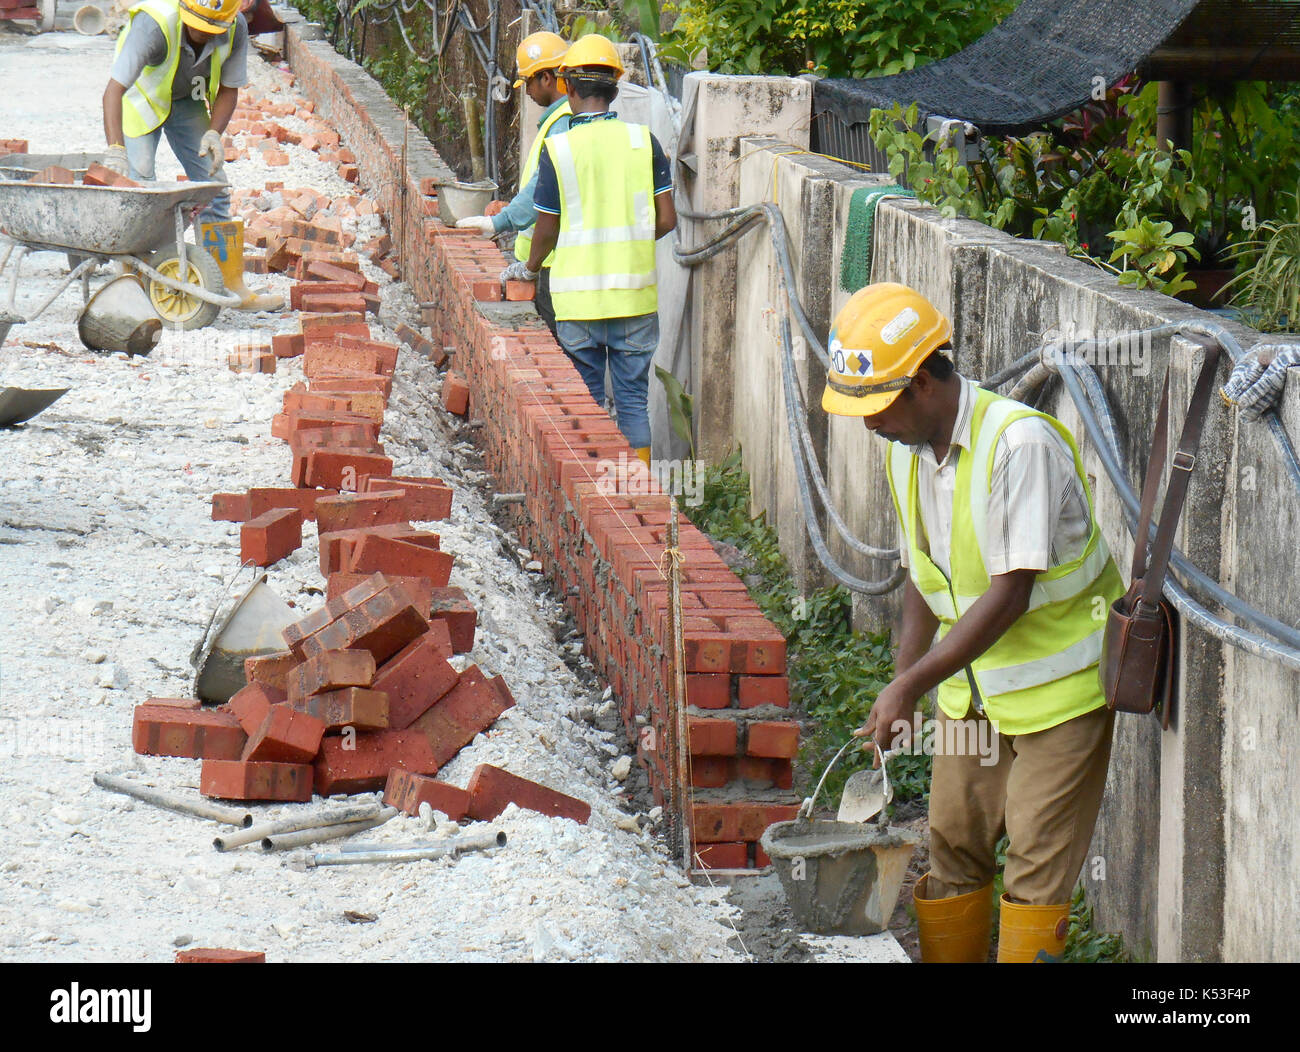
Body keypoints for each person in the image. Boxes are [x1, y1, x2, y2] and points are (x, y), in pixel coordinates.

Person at [821, 283, 1125, 963]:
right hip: (973, 695)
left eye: (876, 407)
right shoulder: (908, 453)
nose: (868, 425)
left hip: (1061, 698)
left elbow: (1010, 594)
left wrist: (910, 686)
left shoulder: (1019, 445)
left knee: (1034, 876)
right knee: (953, 851)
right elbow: (926, 580)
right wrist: (906, 681)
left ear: (922, 383)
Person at [502, 34, 676, 467]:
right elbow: (667, 220)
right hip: (635, 299)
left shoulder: (559, 149)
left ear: (568, 87)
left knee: (588, 403)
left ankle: (593, 491)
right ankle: (638, 491)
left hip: (578, 305)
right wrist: (632, 239)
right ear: (615, 88)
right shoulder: (643, 142)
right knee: (634, 402)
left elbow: (546, 225)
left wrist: (530, 266)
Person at [103, 0, 280, 311]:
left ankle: (227, 282)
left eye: (213, 29)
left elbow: (228, 88)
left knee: (214, 185)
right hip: (142, 96)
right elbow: (113, 91)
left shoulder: (234, 26)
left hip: (186, 100)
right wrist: (116, 149)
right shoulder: (154, 25)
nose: (205, 34)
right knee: (142, 188)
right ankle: (135, 281)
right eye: (199, 27)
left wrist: (214, 133)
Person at [456, 30, 571, 336]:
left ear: (547, 78)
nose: (527, 90)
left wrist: (501, 223)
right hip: (548, 259)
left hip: (551, 261)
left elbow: (544, 188)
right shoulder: (558, 120)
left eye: (529, 82)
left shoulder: (562, 125)